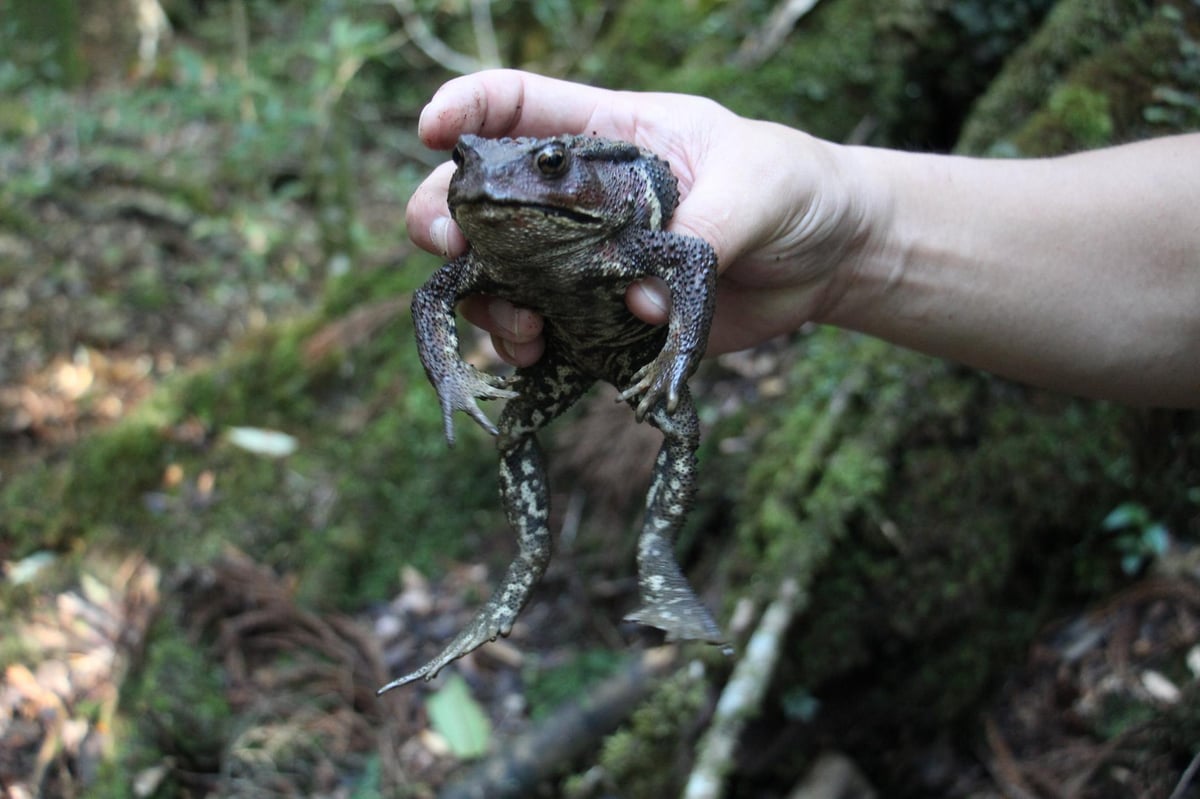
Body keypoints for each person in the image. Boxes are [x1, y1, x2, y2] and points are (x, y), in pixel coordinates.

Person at [406, 69, 1200, 408]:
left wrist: (675, 360)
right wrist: (451, 377)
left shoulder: (628, 233)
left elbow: (688, 252)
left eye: (548, 164)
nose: (482, 177)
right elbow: (433, 291)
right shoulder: (477, 231)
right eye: (461, 163)